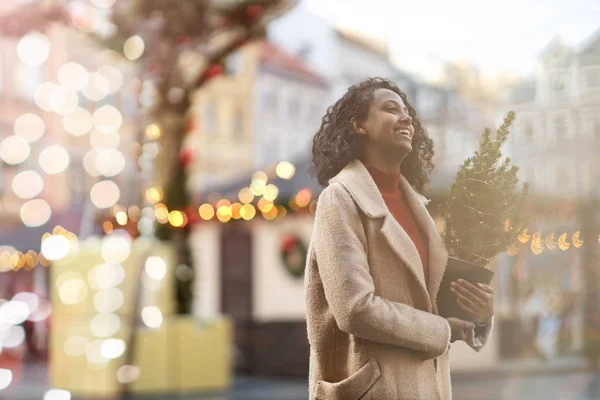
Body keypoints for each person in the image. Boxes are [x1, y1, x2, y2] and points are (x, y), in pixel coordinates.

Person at [305, 77, 494, 399]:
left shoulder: (418, 207)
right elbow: (354, 308)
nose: (406, 118)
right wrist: (443, 330)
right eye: (391, 109)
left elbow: (425, 301)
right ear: (359, 125)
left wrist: (476, 312)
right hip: (373, 389)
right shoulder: (340, 199)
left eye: (407, 112)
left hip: (428, 385)